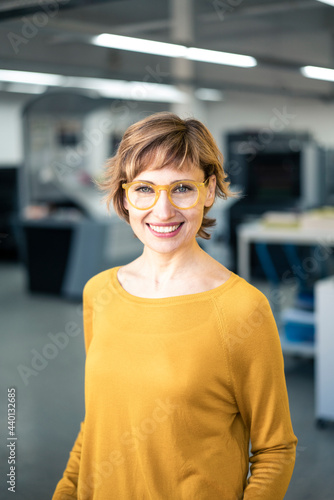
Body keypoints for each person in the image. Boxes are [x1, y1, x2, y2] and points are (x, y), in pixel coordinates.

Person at [52, 112, 297, 500]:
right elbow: (98, 422)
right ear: (124, 196)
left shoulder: (243, 309)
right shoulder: (98, 293)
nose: (163, 211)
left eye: (182, 188)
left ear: (209, 190)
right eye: (145, 189)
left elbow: (275, 450)